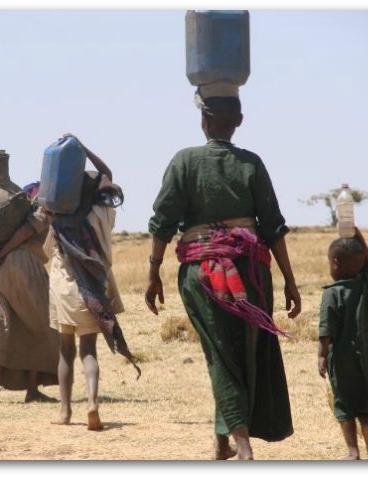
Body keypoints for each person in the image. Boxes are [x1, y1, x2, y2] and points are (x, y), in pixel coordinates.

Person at [145, 92, 301, 460]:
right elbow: (274, 227)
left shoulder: (184, 161)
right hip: (252, 273)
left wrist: (154, 272)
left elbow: (161, 223)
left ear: (204, 120)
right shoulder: (252, 164)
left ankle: (241, 448)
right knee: (237, 353)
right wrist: (290, 280)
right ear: (239, 121)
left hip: (202, 274)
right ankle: (222, 442)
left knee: (221, 354)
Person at [48, 133, 139, 431]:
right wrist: (82, 147)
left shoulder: (58, 214)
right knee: (89, 349)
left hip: (64, 284)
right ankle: (92, 402)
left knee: (65, 350)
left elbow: (46, 248)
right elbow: (107, 174)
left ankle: (64, 411)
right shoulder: (104, 210)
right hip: (94, 287)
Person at [0, 199, 60, 403]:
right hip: (23, 265)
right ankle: (32, 389)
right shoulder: (42, 208)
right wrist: (3, 253)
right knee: (40, 325)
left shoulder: (4, 215)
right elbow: (27, 231)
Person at [318, 227, 368, 460]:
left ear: (335, 263)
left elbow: (326, 330)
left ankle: (352, 451)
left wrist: (321, 356)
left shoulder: (331, 294)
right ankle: (366, 425)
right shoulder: (365, 286)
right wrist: (357, 233)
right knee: (362, 394)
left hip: (341, 357)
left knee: (344, 403)